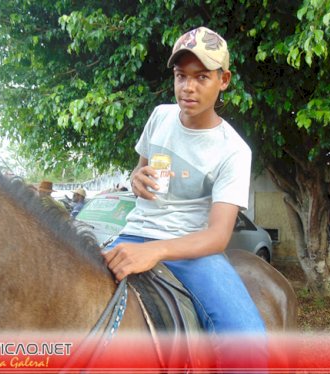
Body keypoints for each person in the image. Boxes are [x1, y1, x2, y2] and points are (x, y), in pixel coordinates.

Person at [102, 27, 266, 338]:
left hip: (194, 252)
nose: (188, 87)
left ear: (224, 80)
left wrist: (156, 251)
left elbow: (218, 236)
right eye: (181, 76)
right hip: (133, 234)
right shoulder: (160, 117)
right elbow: (139, 172)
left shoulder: (233, 150)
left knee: (248, 337)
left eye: (202, 77)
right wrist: (135, 179)